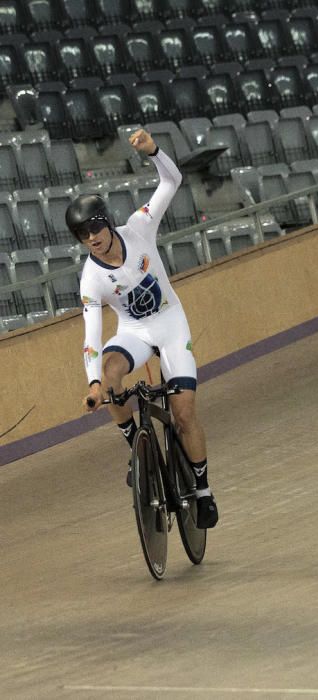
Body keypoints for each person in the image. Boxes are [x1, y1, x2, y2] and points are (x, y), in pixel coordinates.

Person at [70, 128, 218, 529]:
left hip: (170, 325)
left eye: (94, 231)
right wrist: (93, 384)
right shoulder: (91, 279)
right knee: (110, 373)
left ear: (106, 223)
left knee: (185, 414)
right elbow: (91, 337)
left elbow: (172, 181)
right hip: (134, 331)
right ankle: (136, 446)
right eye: (82, 237)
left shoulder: (139, 228)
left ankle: (203, 491)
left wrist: (153, 152)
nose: (91, 240)